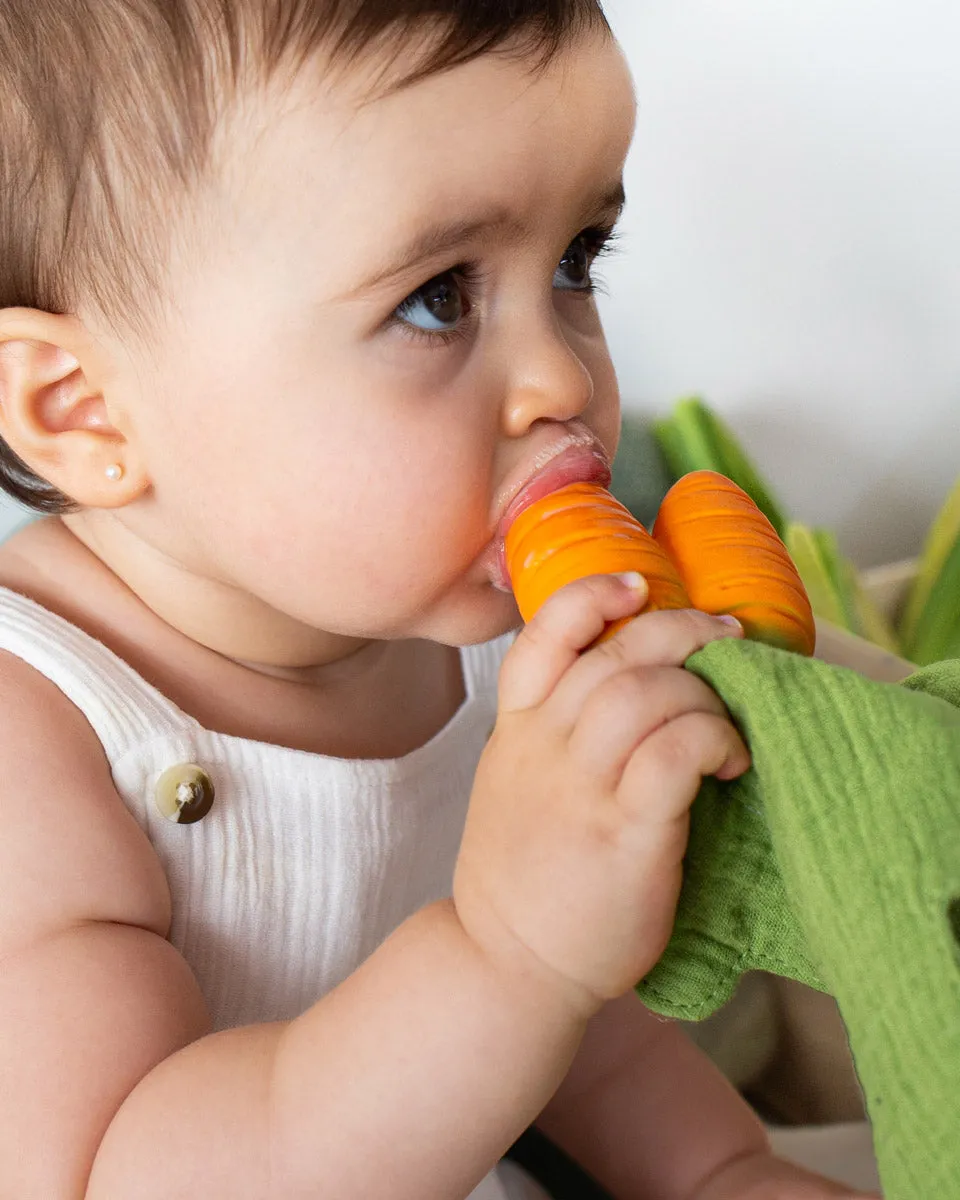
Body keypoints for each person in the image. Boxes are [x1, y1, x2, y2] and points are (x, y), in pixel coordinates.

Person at [0, 2, 874, 1196]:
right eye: (438, 299)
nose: (565, 376)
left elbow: (580, 1025)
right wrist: (509, 952)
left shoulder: (475, 629)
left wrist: (716, 1169)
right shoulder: (36, 730)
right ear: (86, 410)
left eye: (576, 261)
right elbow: (116, 1172)